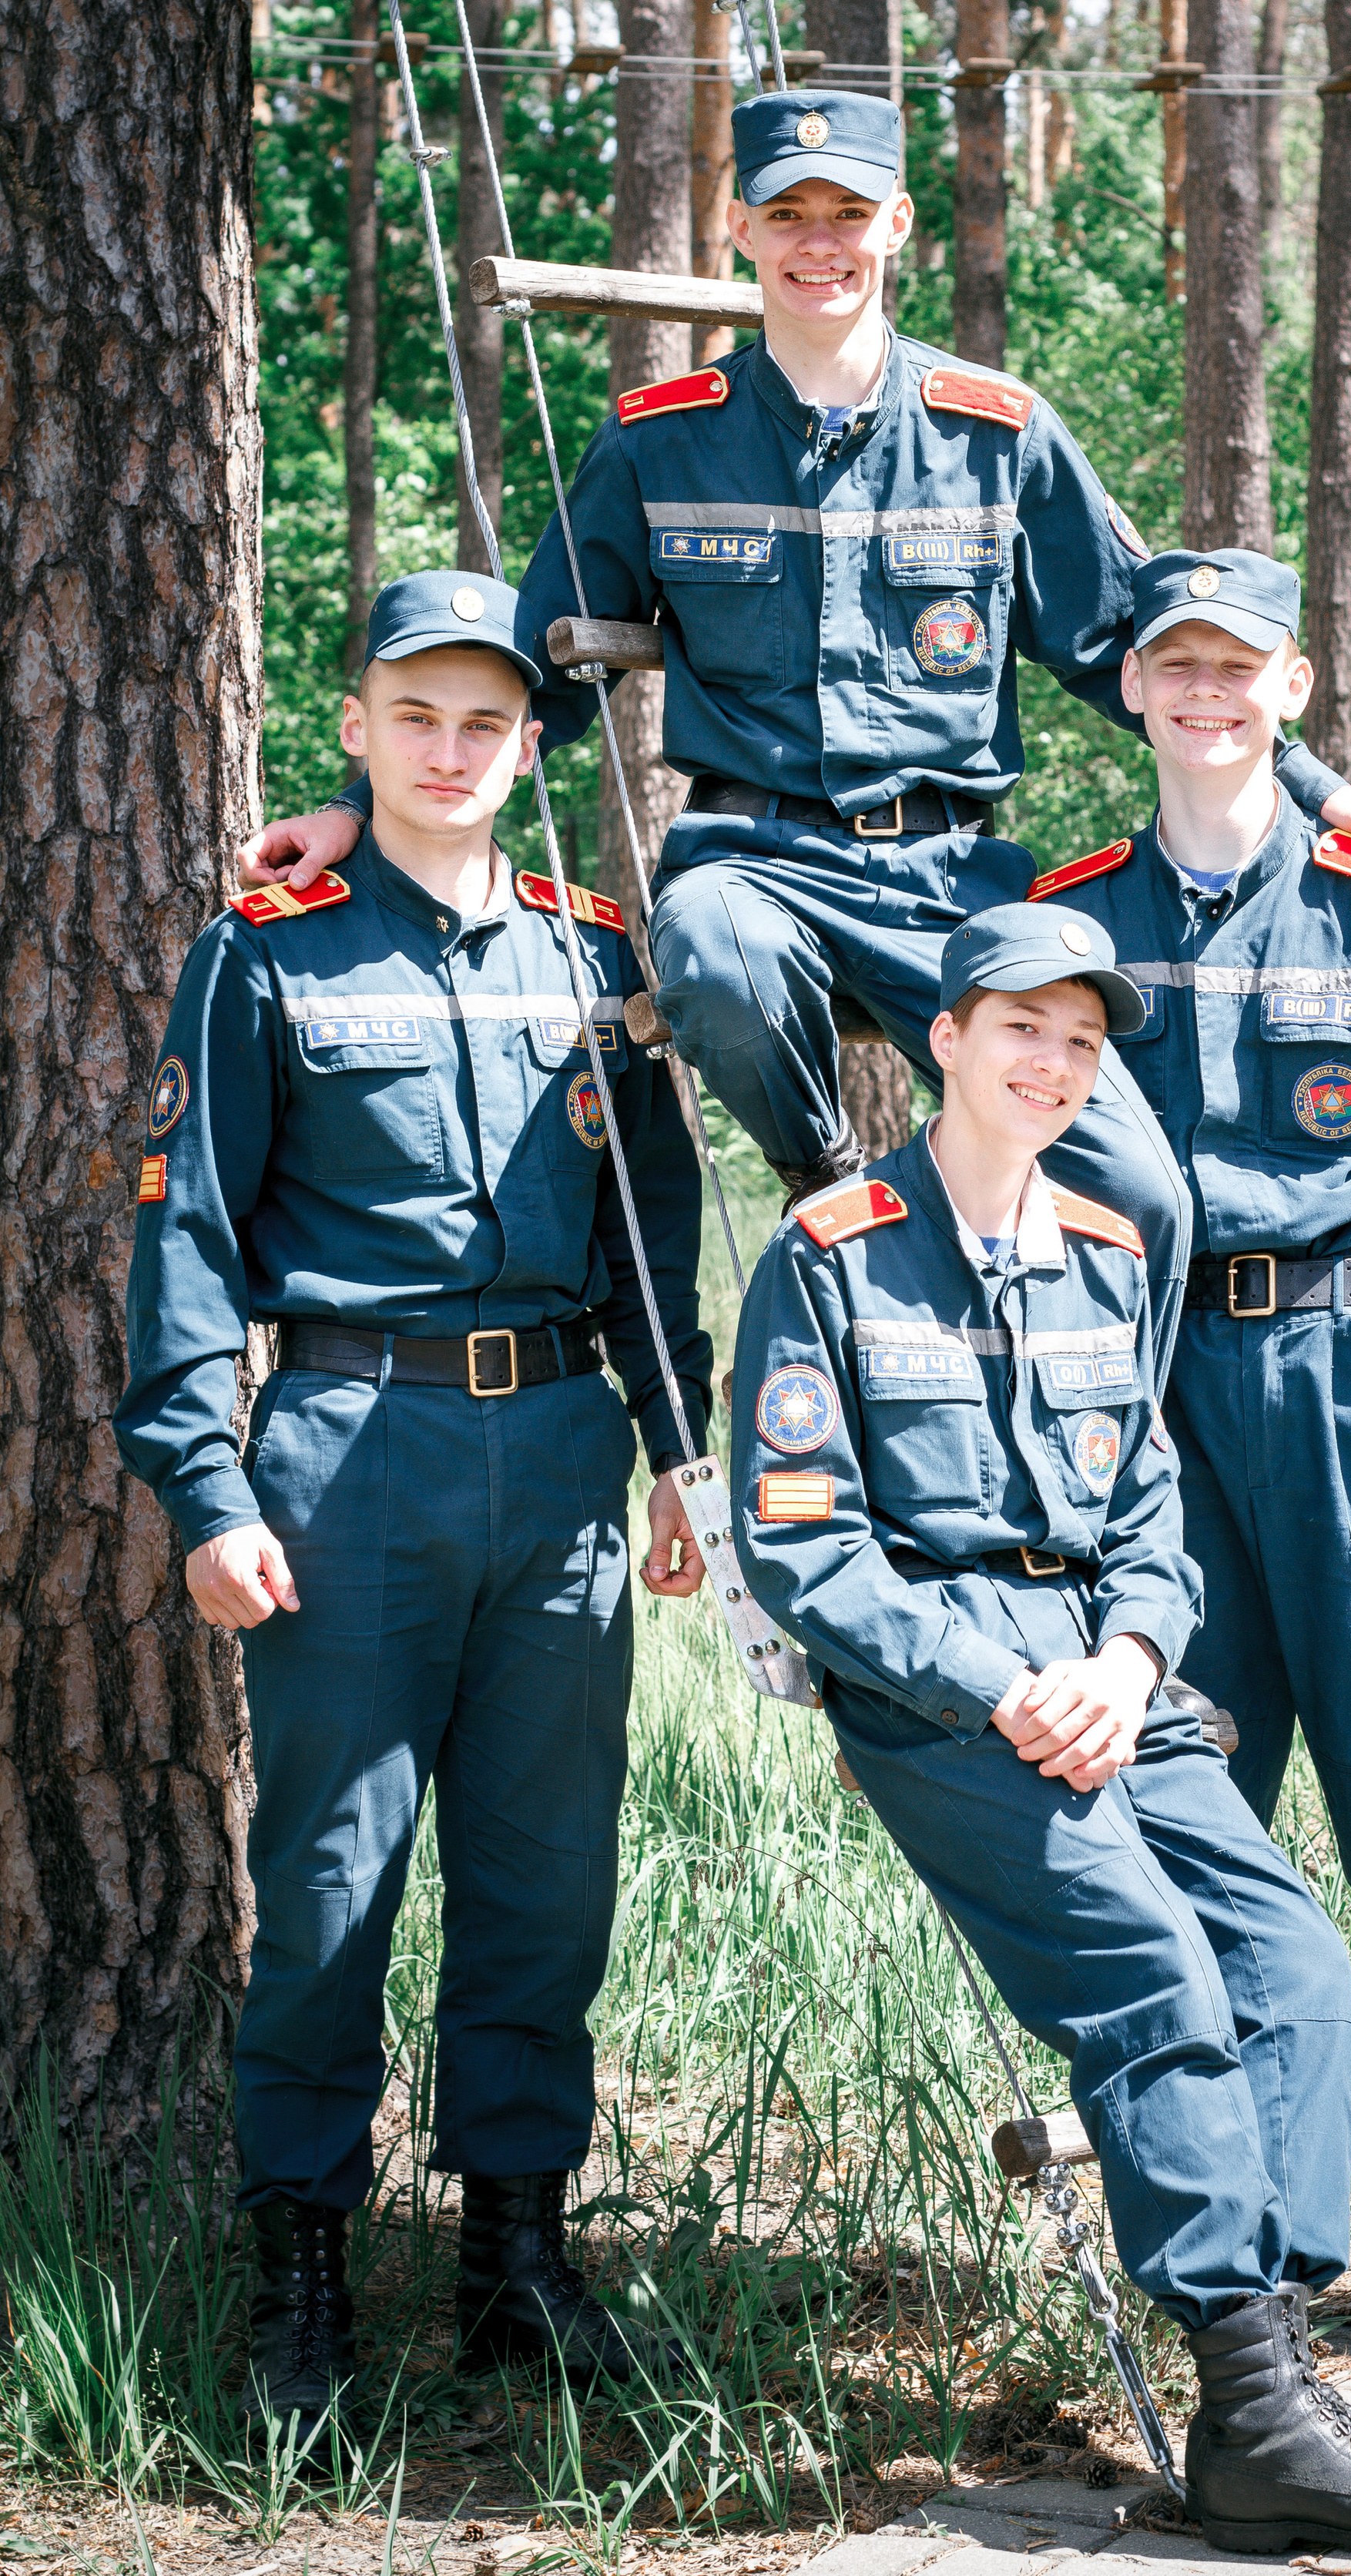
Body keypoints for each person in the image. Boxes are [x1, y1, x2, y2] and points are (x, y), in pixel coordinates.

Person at [236, 89, 1351, 1385]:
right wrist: (358, 811)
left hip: (953, 882)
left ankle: (1118, 1446)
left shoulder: (997, 434)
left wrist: (1317, 791)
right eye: (788, 216)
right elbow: (537, 673)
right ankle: (842, 1200)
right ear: (740, 229)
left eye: (849, 215)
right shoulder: (662, 441)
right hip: (751, 860)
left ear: (898, 224)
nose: (820, 243)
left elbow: (1136, 656)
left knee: (1142, 1189)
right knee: (713, 956)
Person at [725, 904, 1351, 2556]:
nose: (1055, 1062)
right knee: (1154, 1976)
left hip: (1115, 1683)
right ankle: (1259, 2405)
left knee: (1294, 1962)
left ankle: (1265, 2384)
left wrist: (1138, 1657)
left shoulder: (1106, 1247)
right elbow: (804, 1547)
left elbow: (1151, 1511)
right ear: (944, 1038)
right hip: (946, 1700)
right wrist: (1000, 1684)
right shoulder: (830, 1252)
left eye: (1082, 1040)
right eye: (1022, 1027)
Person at [115, 572, 715, 2438]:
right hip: (346, 1455)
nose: (449, 751)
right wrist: (204, 1483)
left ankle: (516, 2261)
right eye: (415, 716)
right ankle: (300, 2275)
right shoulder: (266, 950)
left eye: (483, 722)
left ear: (526, 745)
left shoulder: (593, 956)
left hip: (562, 1463)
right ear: (355, 728)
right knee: (326, 1884)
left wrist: (682, 1452)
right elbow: (187, 1236)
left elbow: (651, 1235)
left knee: (545, 1880)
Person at [1038, 548, 1351, 2337]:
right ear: (1129, 686)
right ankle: (1234, 2233)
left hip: (1349, 1381)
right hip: (1153, 1402)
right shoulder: (1075, 917)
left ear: (1291, 688)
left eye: (1235, 667)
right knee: (1182, 1797)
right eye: (1172, 664)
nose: (1203, 693)